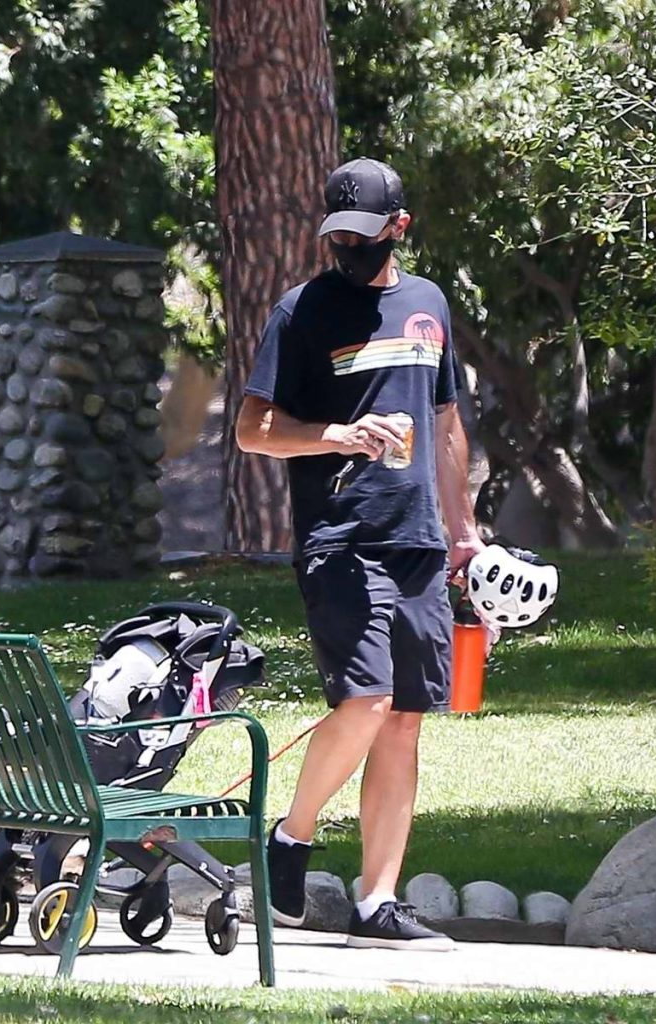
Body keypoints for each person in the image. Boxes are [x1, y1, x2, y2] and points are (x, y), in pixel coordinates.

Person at [235, 158, 485, 950]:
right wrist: (330, 436)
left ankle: (379, 901)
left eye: (362, 238)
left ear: (398, 229)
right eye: (336, 237)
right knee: (368, 701)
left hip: (418, 540)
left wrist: (466, 529)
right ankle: (290, 835)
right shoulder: (300, 311)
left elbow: (445, 424)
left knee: (406, 720)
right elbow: (249, 429)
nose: (346, 250)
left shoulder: (427, 305)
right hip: (343, 538)